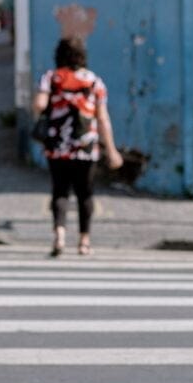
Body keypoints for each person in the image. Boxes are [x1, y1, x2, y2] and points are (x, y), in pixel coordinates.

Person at [32, 37, 123, 256]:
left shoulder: (51, 78)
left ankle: (60, 235)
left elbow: (39, 105)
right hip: (85, 146)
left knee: (59, 191)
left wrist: (47, 112)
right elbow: (102, 119)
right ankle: (84, 241)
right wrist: (111, 150)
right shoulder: (94, 82)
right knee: (85, 193)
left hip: (58, 145)